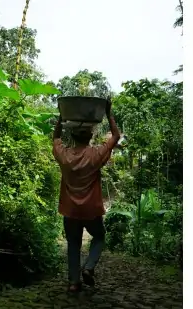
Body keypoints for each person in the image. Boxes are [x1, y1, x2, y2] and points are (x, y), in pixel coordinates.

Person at [52, 97, 121, 292]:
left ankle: (74, 282)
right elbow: (116, 136)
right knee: (99, 237)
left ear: (72, 137)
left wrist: (61, 115)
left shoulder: (64, 155)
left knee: (73, 244)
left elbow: (55, 138)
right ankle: (89, 267)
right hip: (91, 210)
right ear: (90, 136)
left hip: (70, 210)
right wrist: (108, 112)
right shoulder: (96, 154)